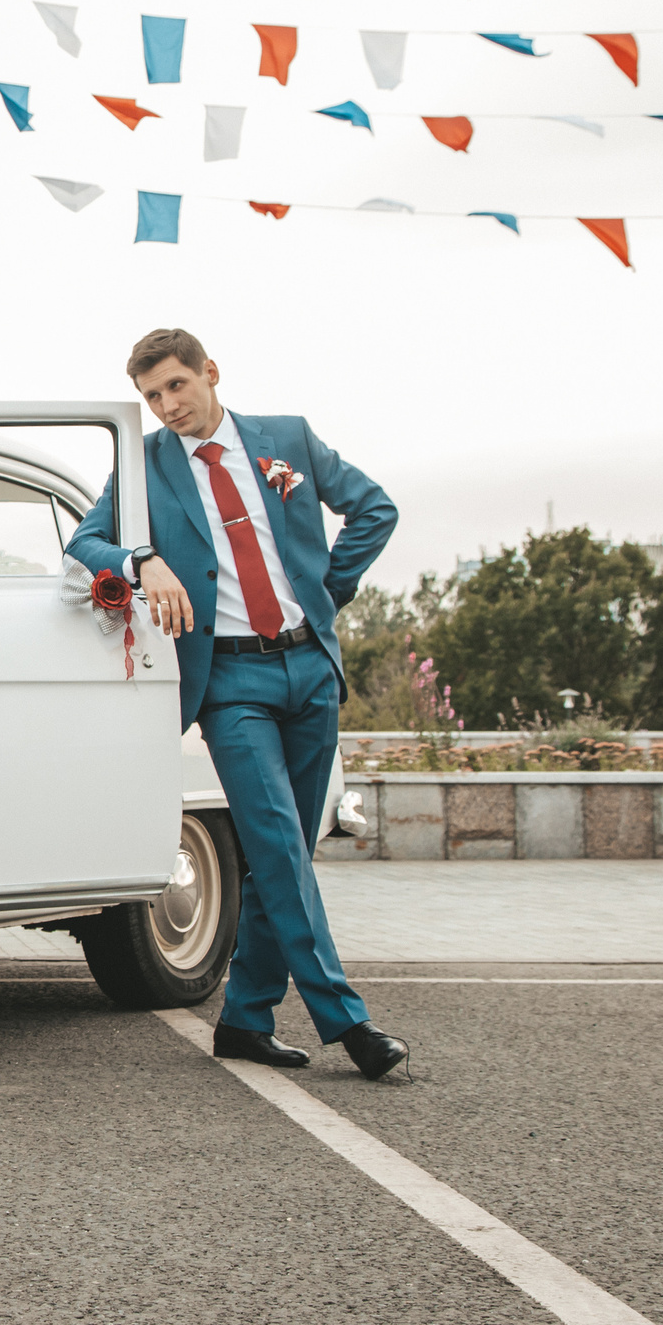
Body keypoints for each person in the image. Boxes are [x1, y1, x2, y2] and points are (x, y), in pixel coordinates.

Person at [66, 328, 410, 1081]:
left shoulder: (286, 440)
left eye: (177, 387)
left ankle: (247, 1018)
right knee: (280, 844)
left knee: (283, 857)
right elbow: (84, 542)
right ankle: (345, 1020)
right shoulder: (147, 464)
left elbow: (374, 509)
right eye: (153, 396)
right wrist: (142, 558)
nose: (167, 406)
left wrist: (325, 595)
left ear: (210, 372)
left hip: (310, 668)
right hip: (229, 683)